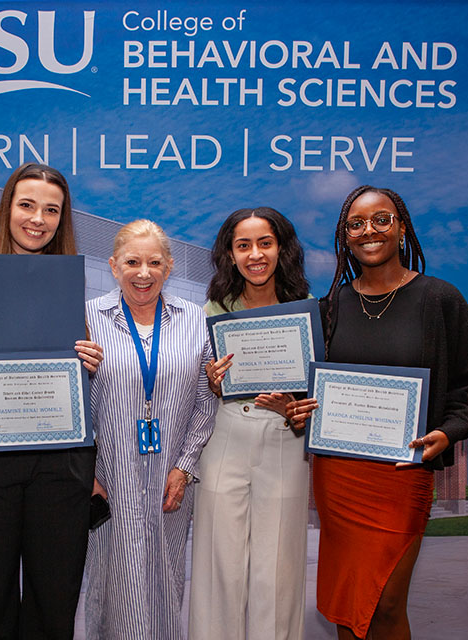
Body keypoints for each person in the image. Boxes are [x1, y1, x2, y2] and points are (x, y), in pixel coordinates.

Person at [287, 185, 468, 640]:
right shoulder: (329, 308)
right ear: (344, 237)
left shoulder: (441, 300)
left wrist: (448, 432)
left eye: (381, 219)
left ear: (401, 228)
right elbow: (309, 391)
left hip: (403, 475)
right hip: (339, 477)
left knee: (387, 603)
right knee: (348, 603)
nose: (369, 231)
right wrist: (299, 411)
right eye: (356, 224)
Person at [0, 162, 103, 639]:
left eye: (52, 210)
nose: (38, 219)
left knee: (55, 597)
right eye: (27, 205)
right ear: (7, 208)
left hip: (62, 459)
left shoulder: (68, 275)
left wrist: (89, 357)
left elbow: (72, 357)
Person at [84, 219, 218, 640]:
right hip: (109, 477)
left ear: (170, 266)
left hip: (171, 478)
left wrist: (185, 466)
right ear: (113, 265)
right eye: (132, 262)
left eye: (154, 262)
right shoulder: (87, 318)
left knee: (166, 578)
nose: (144, 273)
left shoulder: (196, 321)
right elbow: (71, 398)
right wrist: (85, 470)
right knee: (111, 582)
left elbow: (206, 398)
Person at [188, 208, 310, 640]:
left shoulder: (308, 311)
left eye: (265, 243)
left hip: (284, 442)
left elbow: (316, 395)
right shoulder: (210, 311)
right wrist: (213, 384)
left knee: (277, 572)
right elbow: (196, 393)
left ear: (282, 248)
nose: (255, 255)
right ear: (230, 254)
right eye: (244, 246)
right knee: (219, 568)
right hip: (225, 439)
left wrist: (295, 409)